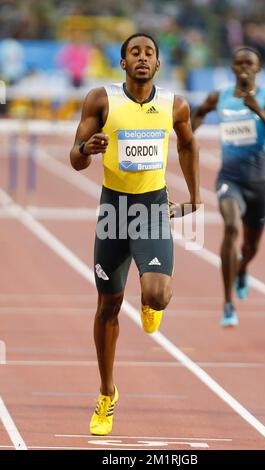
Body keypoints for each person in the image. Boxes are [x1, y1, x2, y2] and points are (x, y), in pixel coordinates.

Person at [70, 33, 200, 435]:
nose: (142, 58)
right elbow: (74, 159)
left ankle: (150, 301)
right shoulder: (101, 100)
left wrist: (194, 199)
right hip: (114, 210)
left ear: (158, 64)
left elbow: (188, 145)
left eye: (149, 53)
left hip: (151, 209)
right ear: (123, 63)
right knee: (108, 307)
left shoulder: (174, 105)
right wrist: (87, 149)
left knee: (158, 293)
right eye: (134, 53)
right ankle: (107, 394)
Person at [192, 46, 265, 327]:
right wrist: (189, 136)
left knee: (250, 247)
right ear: (233, 68)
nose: (245, 68)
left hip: (258, 184)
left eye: (250, 64)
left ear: (258, 69)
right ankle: (227, 304)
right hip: (229, 180)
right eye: (240, 63)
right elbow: (198, 113)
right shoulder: (219, 97)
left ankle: (243, 268)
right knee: (231, 227)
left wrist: (258, 110)